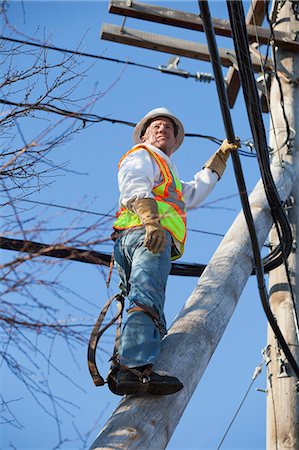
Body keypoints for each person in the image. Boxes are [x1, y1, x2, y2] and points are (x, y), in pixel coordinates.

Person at [111, 107, 239, 396]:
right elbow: (132, 185)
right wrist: (151, 221)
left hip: (139, 237)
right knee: (147, 296)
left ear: (175, 141)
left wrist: (218, 162)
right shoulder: (142, 155)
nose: (162, 129)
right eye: (155, 126)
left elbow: (191, 193)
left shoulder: (167, 172)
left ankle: (128, 363)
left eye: (168, 127)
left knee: (140, 297)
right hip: (146, 235)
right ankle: (135, 367)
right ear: (143, 136)